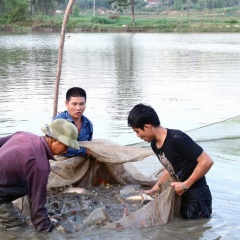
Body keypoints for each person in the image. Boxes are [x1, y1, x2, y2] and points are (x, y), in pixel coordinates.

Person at [127, 103, 214, 220]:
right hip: (180, 196)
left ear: (147, 127)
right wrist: (155, 189)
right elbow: (170, 168)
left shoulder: (177, 139)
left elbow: (207, 161)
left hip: (197, 199)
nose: (138, 136)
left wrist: (185, 185)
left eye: (137, 131)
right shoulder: (155, 144)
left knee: (192, 231)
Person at [0, 119, 79, 232]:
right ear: (54, 139)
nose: (66, 151)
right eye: (66, 146)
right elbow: (37, 209)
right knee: (17, 228)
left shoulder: (24, 135)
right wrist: (47, 231)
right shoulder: (40, 166)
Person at [53, 87, 93, 156]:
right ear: (66, 104)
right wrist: (84, 151)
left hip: (83, 163)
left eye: (81, 104)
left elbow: (89, 145)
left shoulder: (88, 124)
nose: (78, 108)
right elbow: (57, 148)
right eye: (74, 104)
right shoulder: (59, 122)